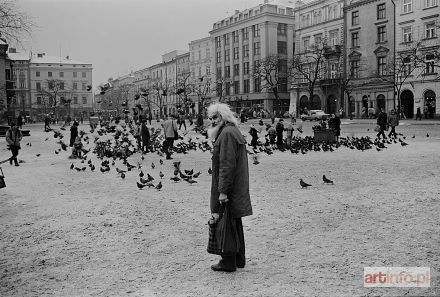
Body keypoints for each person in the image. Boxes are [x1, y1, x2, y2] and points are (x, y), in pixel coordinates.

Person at [206, 102, 252, 272]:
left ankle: (228, 261)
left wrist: (223, 191)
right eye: (210, 118)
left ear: (223, 116)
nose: (212, 121)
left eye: (215, 117)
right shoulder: (232, 131)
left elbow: (227, 165)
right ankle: (239, 258)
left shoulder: (226, 134)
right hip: (236, 185)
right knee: (234, 222)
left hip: (229, 187)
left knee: (225, 223)